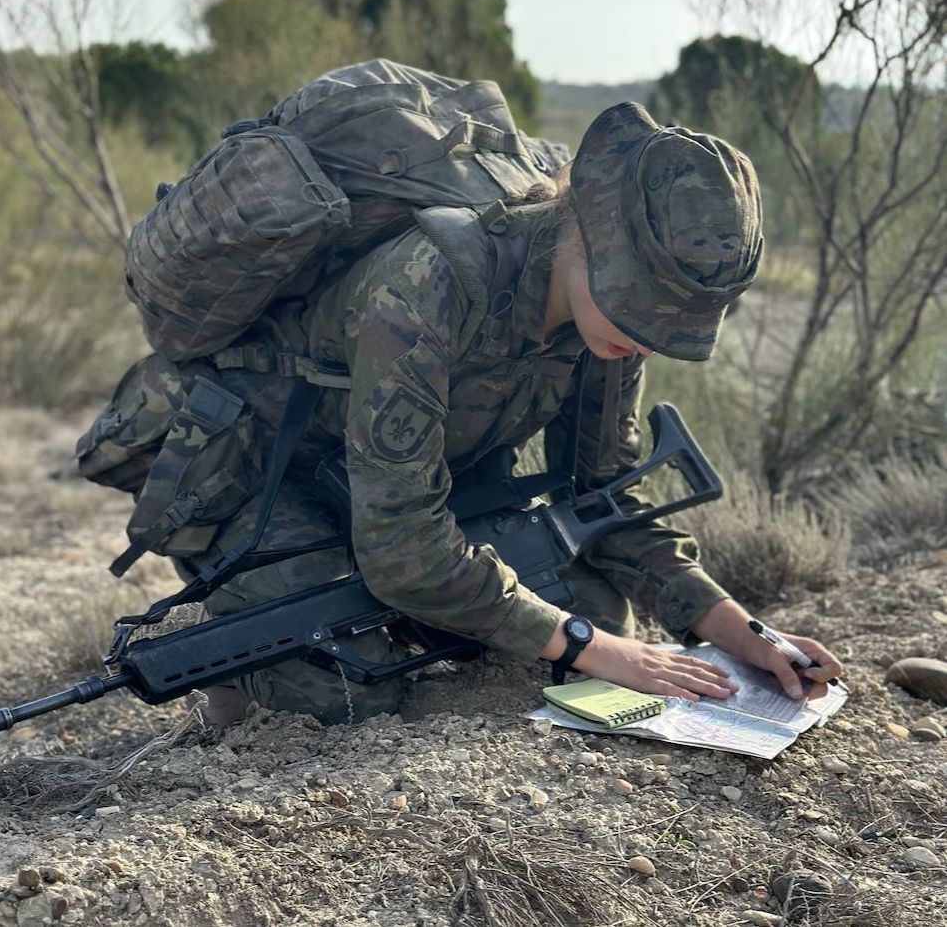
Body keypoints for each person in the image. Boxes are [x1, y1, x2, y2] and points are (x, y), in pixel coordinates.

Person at [177, 97, 844, 725]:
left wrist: (741, 632)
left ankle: (415, 617)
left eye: (667, 325)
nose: (645, 337)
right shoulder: (429, 285)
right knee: (350, 691)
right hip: (271, 478)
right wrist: (590, 648)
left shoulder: (607, 327)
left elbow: (604, 498)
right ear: (583, 229)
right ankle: (246, 629)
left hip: (422, 492)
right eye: (637, 305)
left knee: (599, 615)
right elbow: (403, 549)